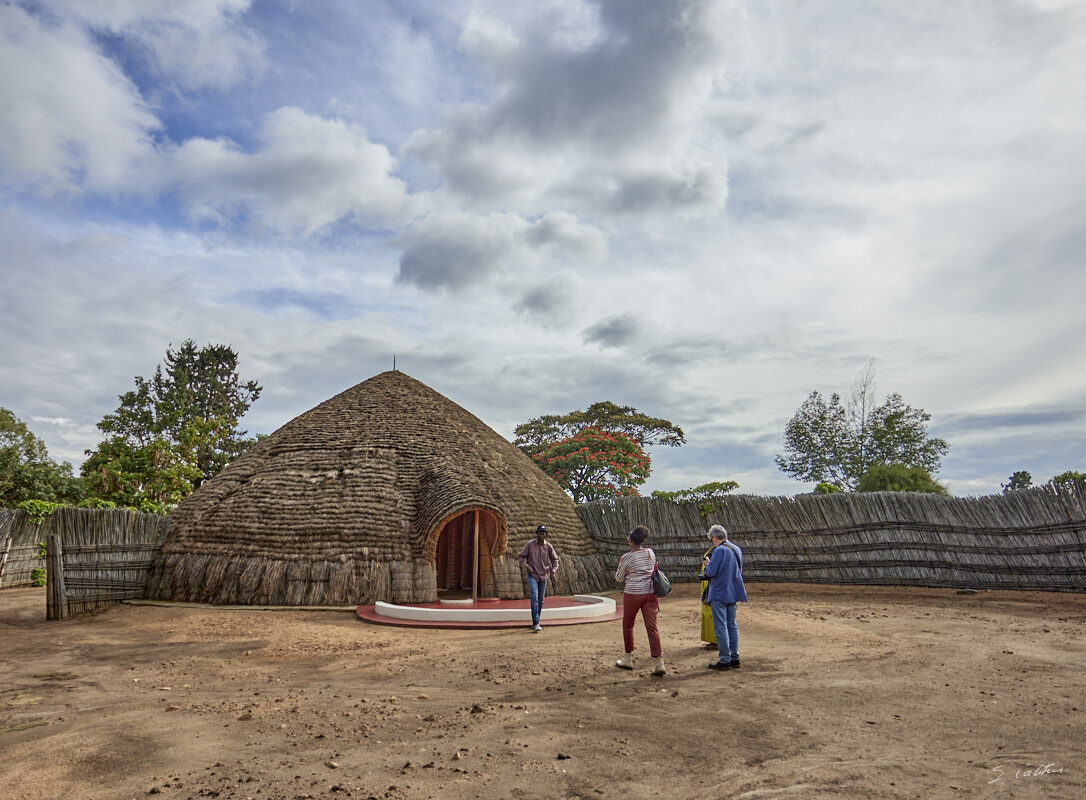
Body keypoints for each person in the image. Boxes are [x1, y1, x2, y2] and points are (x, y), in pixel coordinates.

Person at [614, 525, 665, 676]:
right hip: (650, 593)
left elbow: (619, 578)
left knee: (628, 624)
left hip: (632, 594)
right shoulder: (650, 553)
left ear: (630, 541)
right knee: (652, 627)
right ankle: (659, 663)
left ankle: (628, 658)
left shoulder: (627, 557)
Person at [702, 524, 747, 669]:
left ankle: (725, 659)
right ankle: (734, 657)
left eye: (712, 539)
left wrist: (707, 564)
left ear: (715, 537)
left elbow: (711, 572)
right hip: (733, 591)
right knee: (732, 625)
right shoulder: (736, 549)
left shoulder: (719, 550)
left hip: (720, 592)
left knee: (721, 626)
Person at [518, 525, 559, 632]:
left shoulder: (548, 546)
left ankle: (536, 621)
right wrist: (526, 566)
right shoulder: (530, 544)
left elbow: (555, 560)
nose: (542, 535)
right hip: (533, 575)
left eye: (544, 533)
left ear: (546, 535)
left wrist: (553, 571)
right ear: (537, 534)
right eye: (540, 533)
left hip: (544, 576)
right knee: (534, 597)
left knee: (540, 601)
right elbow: (521, 557)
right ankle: (536, 622)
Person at [699, 541, 718, 649]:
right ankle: (713, 640)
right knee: (708, 612)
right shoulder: (714, 549)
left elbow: (713, 570)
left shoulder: (718, 551)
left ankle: (716, 641)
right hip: (708, 584)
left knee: (712, 613)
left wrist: (708, 565)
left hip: (711, 585)